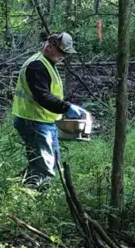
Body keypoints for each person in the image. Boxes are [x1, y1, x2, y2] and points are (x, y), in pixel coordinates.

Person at [12, 32, 86, 190]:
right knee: (44, 168)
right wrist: (66, 107)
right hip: (33, 121)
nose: (63, 57)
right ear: (49, 46)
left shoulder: (47, 63)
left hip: (44, 121)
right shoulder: (37, 65)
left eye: (66, 54)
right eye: (62, 52)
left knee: (51, 162)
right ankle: (33, 198)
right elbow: (42, 96)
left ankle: (16, 187)